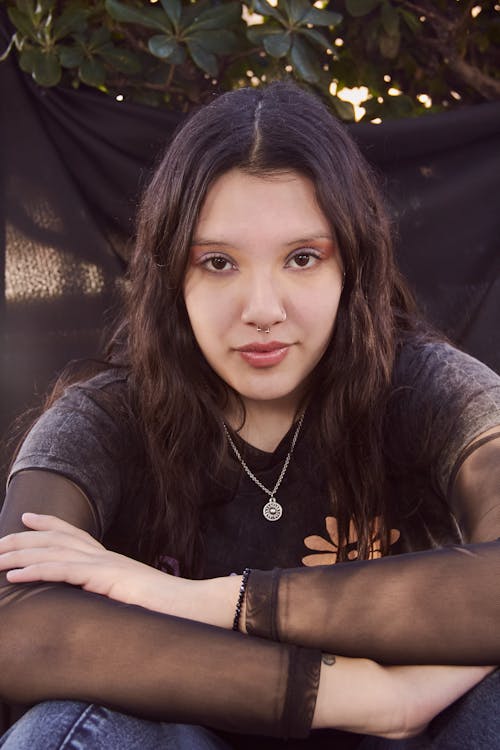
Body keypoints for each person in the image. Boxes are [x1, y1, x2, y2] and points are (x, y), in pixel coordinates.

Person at [0, 82, 499, 750]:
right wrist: (368, 697)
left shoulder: (424, 385)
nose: (261, 307)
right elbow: (18, 628)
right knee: (62, 730)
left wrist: (202, 599)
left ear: (352, 265)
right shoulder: (105, 417)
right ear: (170, 275)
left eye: (301, 258)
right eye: (217, 262)